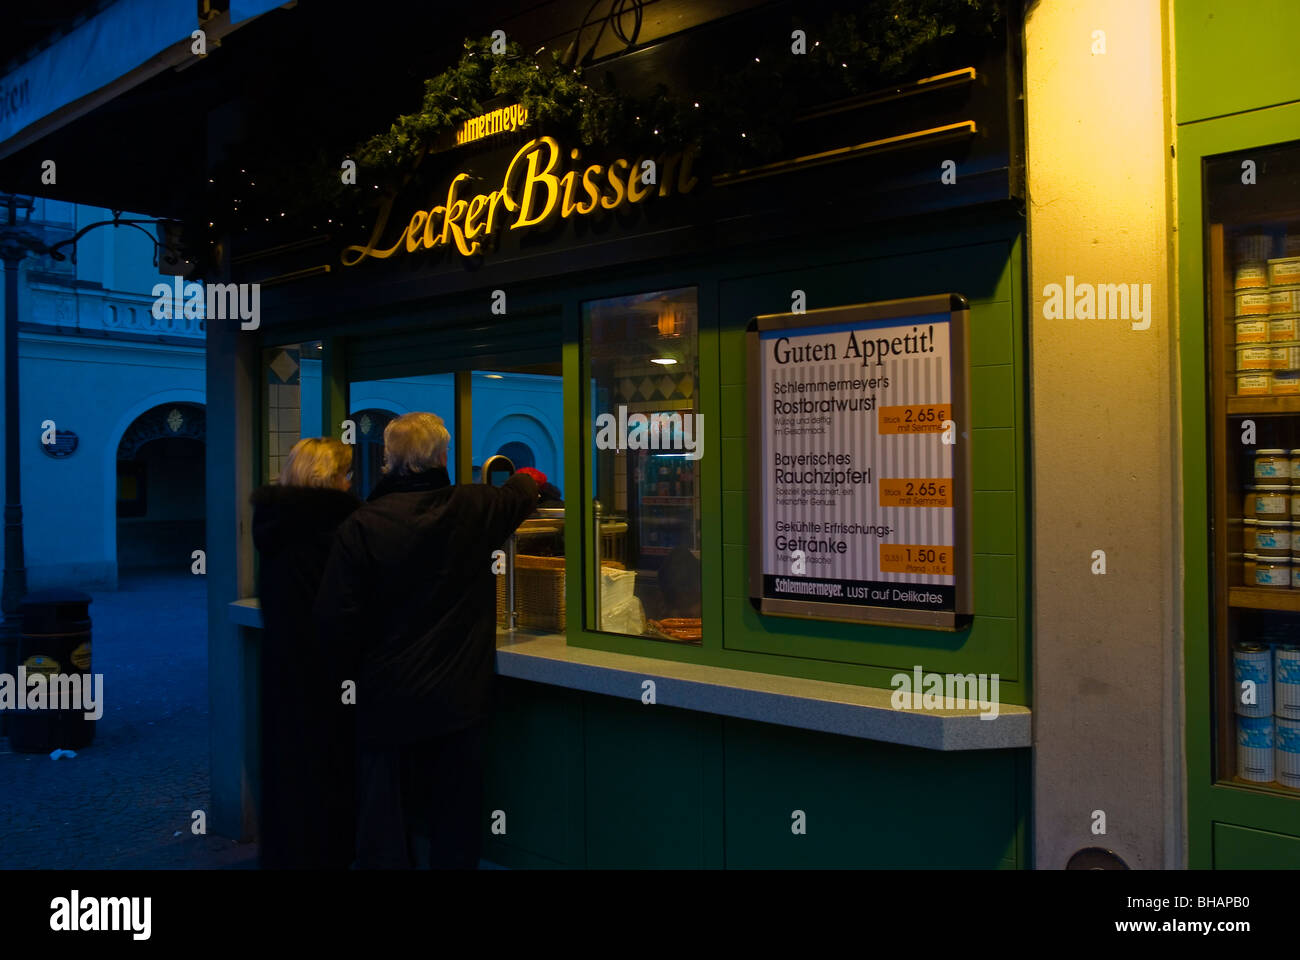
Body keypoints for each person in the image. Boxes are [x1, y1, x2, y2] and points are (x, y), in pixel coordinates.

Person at [314, 412, 540, 869]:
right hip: (459, 700)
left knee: (385, 826)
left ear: (388, 461)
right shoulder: (475, 506)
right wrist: (530, 477)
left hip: (385, 698)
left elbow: (333, 619)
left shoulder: (361, 525)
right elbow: (522, 492)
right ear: (441, 456)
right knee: (455, 824)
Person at [250, 437, 360, 869]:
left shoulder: (274, 522)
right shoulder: (338, 528)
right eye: (346, 474)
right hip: (328, 674)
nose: (350, 484)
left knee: (286, 772)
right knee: (326, 773)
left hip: (282, 668)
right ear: (331, 478)